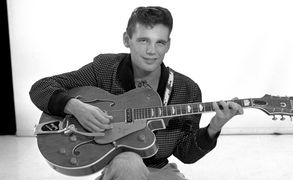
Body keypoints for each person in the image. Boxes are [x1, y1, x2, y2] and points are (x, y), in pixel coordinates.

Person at [29, 6, 243, 180]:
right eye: (143, 40)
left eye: (160, 42)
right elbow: (41, 87)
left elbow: (186, 154)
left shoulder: (186, 89)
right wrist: (74, 106)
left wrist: (214, 127)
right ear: (126, 39)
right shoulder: (104, 69)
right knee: (129, 164)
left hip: (159, 170)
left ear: (168, 45)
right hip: (120, 167)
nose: (152, 51)